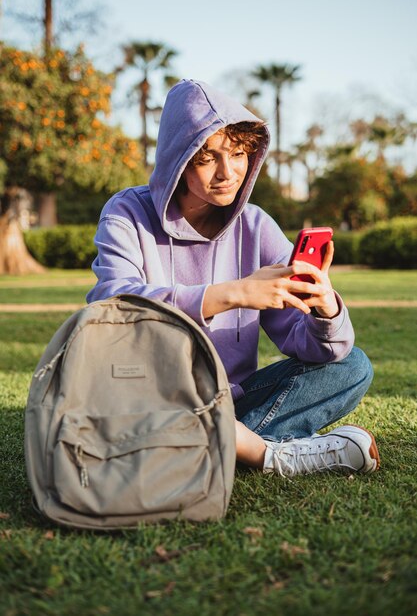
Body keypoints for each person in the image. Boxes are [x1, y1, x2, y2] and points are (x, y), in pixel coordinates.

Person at [87, 79, 380, 477]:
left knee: (353, 366)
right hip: (149, 397)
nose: (228, 173)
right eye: (208, 158)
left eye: (239, 154)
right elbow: (112, 305)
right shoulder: (127, 213)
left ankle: (200, 450)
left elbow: (313, 348)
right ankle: (264, 454)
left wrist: (325, 310)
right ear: (178, 159)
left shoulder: (256, 225)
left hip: (232, 403)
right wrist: (234, 293)